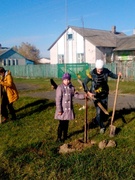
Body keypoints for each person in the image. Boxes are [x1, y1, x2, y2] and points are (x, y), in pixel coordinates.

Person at [83, 59, 122, 134]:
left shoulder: (106, 71)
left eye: (101, 69)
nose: (100, 71)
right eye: (98, 69)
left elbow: (113, 75)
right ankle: (102, 127)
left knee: (104, 111)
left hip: (104, 94)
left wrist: (118, 75)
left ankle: (97, 120)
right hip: (95, 95)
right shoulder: (91, 73)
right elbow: (84, 82)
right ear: (96, 68)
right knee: (98, 112)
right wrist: (88, 92)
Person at [54, 72, 85, 142]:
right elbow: (58, 100)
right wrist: (59, 110)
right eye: (65, 80)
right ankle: (59, 137)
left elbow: (76, 95)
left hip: (68, 110)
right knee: (61, 124)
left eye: (68, 80)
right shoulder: (60, 88)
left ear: (70, 80)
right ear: (63, 80)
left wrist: (84, 96)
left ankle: (65, 136)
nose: (67, 81)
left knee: (66, 123)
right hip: (62, 110)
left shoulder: (71, 87)